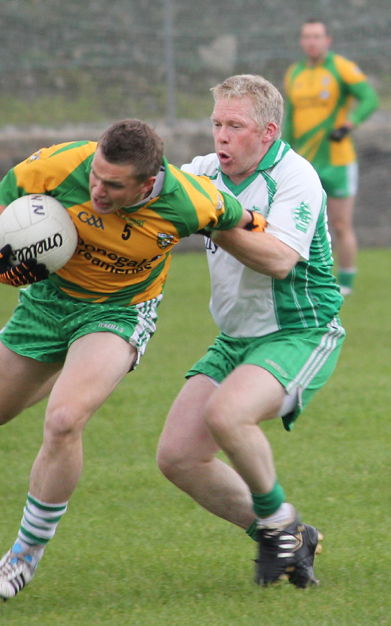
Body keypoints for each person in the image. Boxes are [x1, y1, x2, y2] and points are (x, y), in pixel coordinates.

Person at [0, 118, 265, 600]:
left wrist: (267, 233)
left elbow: (241, 218)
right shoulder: (65, 162)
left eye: (113, 185)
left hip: (118, 312)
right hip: (48, 301)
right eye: (96, 176)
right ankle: (72, 370)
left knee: (65, 420)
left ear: (148, 183)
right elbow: (9, 189)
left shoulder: (192, 200)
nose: (97, 189)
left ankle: (22, 558)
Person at [157, 75, 346, 588]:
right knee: (178, 456)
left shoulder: (295, 176)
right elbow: (153, 189)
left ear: (267, 131)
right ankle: (288, 534)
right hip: (236, 339)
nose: (221, 136)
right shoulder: (203, 173)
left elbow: (281, 260)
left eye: (234, 126)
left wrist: (212, 219)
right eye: (217, 124)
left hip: (299, 331)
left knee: (227, 415)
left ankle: (279, 524)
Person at [283, 18, 379, 295]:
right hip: (305, 162)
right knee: (300, 223)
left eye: (317, 36)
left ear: (328, 40)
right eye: (306, 37)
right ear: (302, 42)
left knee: (340, 223)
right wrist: (286, 150)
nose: (311, 41)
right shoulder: (294, 73)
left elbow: (370, 98)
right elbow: (290, 116)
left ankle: (346, 285)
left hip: (338, 160)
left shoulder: (342, 68)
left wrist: (351, 123)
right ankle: (303, 281)